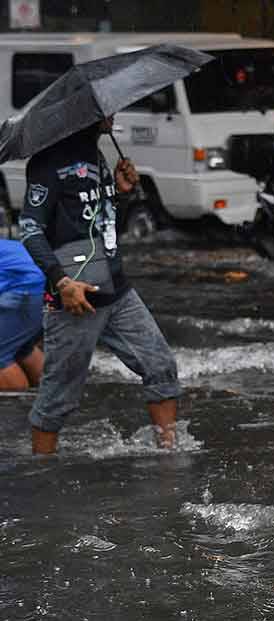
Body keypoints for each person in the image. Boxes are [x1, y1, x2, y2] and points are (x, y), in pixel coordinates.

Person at [19, 117, 181, 455]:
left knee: (161, 366)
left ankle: (170, 456)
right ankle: (38, 475)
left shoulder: (98, 155)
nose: (113, 116)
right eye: (105, 111)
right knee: (57, 398)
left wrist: (119, 195)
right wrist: (61, 282)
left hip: (118, 292)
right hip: (75, 299)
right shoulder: (49, 163)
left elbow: (100, 228)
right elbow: (30, 229)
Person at [0, 239, 44, 390]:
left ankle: (16, 407)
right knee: (21, 347)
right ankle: (52, 398)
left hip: (24, 291)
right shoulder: (7, 244)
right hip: (43, 291)